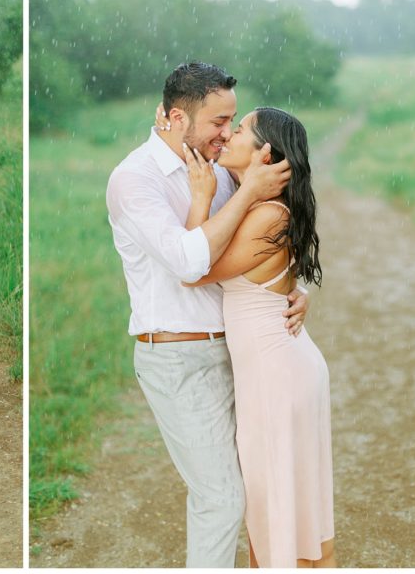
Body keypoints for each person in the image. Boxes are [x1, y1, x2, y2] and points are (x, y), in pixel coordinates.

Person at [105, 61, 309, 567]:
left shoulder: (220, 170)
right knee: (220, 498)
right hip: (180, 358)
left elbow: (263, 238)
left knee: (263, 484)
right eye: (219, 122)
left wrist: (295, 287)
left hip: (242, 353)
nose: (226, 134)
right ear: (177, 117)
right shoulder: (135, 180)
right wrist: (245, 195)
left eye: (232, 122)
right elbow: (189, 262)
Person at [179, 107, 335, 568]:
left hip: (276, 377)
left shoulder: (267, 213)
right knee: (280, 509)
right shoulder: (263, 207)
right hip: (278, 370)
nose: (229, 135)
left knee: (275, 509)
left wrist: (201, 197)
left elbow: (194, 270)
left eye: (241, 130)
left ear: (265, 152)